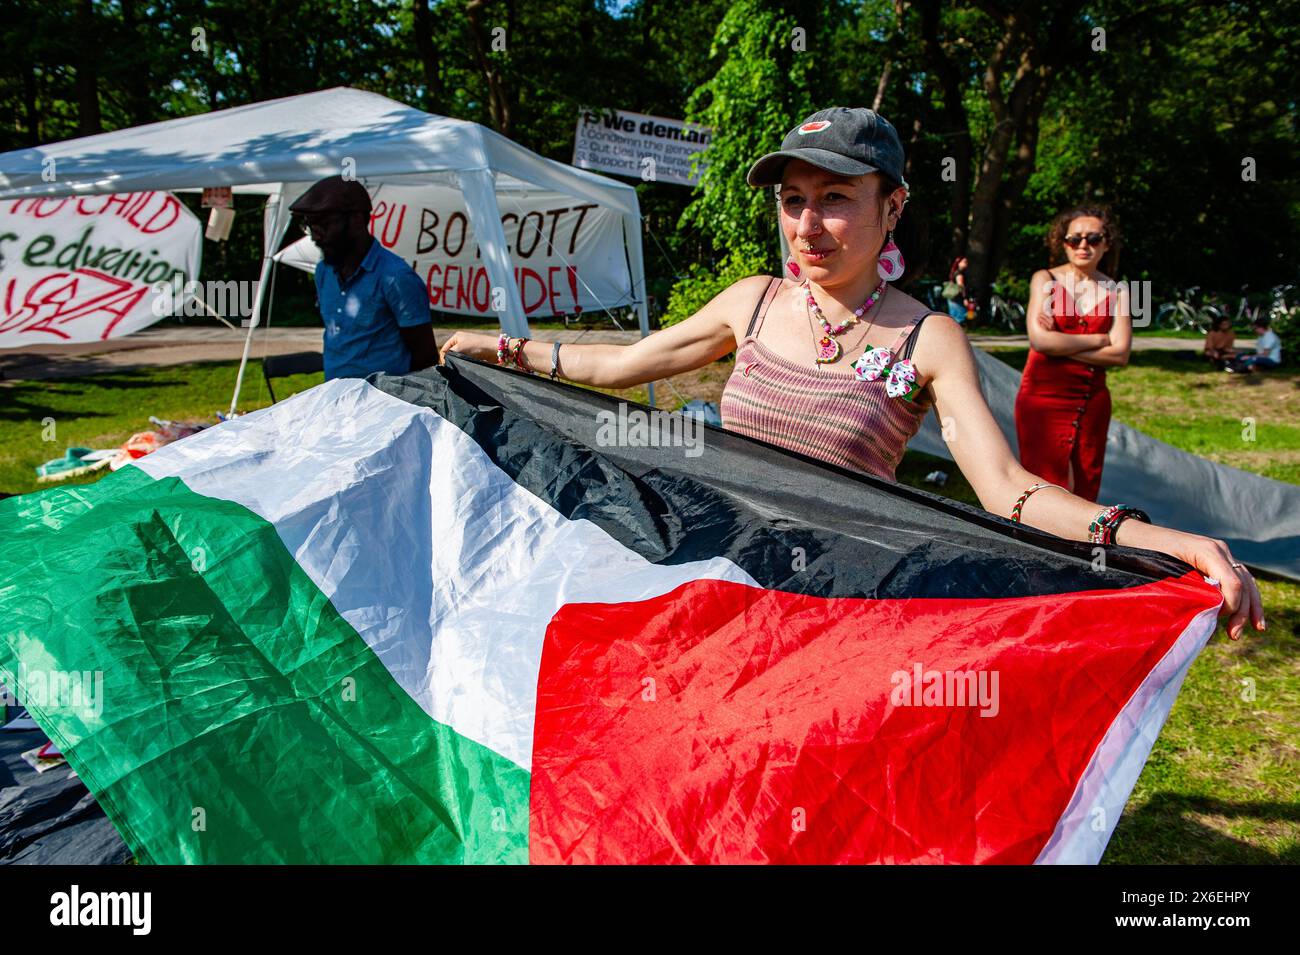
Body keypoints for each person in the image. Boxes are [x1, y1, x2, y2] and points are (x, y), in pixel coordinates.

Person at [440, 106, 1263, 639]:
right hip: (706, 585)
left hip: (832, 612)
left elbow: (1008, 491)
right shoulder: (751, 303)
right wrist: (502, 349)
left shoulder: (927, 337)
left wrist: (1164, 538)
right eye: (792, 199)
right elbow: (621, 364)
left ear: (892, 205)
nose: (807, 224)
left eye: (835, 197)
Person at [1014, 205, 1131, 504]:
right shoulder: (1045, 279)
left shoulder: (1119, 292)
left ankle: (1078, 549)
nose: (1083, 245)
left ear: (1106, 243)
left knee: (1085, 484)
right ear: (1062, 242)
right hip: (1042, 398)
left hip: (1092, 403)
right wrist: (1100, 338)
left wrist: (1061, 343)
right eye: (1074, 239)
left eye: (1093, 238)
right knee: (1044, 484)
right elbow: (1040, 342)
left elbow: (1120, 355)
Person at [289, 176, 438, 380]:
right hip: (335, 400)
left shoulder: (396, 277)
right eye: (310, 226)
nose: (316, 236)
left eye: (323, 225)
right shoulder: (324, 271)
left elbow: (426, 358)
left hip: (383, 405)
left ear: (357, 219)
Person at [944, 256, 971, 325]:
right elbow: (961, 286)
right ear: (959, 263)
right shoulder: (959, 274)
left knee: (954, 317)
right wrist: (965, 298)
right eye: (964, 262)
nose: (966, 264)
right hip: (957, 298)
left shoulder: (954, 272)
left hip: (952, 298)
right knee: (959, 318)